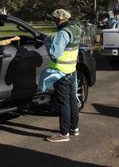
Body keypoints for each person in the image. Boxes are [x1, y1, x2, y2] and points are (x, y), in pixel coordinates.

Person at [39, 9, 82, 142]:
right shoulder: (76, 29)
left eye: (55, 19)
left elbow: (54, 54)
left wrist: (47, 43)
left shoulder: (62, 33)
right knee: (72, 99)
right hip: (71, 70)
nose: (54, 22)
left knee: (63, 103)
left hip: (60, 72)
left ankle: (63, 134)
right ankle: (74, 128)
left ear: (60, 19)